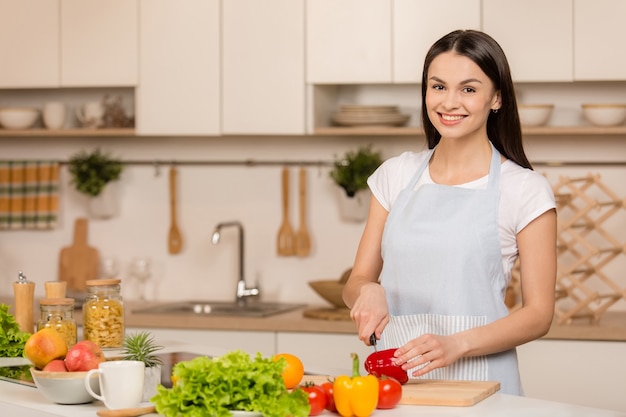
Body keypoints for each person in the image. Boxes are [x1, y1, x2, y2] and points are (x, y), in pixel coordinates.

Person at [342, 29, 557, 395]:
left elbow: (538, 315)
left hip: (483, 386)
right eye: (438, 86)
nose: (449, 102)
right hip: (395, 386)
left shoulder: (524, 189)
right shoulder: (396, 176)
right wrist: (368, 292)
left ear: (497, 98)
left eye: (468, 89)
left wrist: (456, 344)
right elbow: (356, 281)